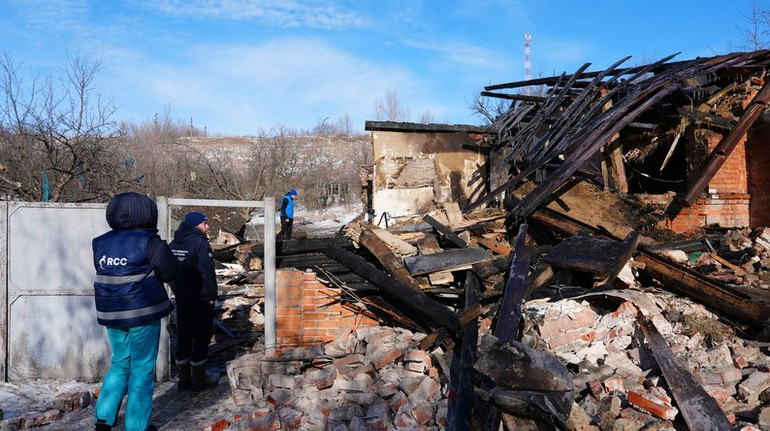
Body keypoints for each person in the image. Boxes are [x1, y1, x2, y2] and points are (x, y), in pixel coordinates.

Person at [92, 192, 180, 431]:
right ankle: (136, 427)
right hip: (142, 312)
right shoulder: (149, 241)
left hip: (112, 313)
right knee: (141, 369)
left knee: (120, 363)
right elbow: (169, 272)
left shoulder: (100, 242)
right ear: (149, 214)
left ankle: (103, 421)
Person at [169, 211, 218, 391]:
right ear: (196, 225)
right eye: (205, 223)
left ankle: (184, 380)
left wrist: (178, 291)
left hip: (182, 298)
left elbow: (169, 272)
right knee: (201, 337)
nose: (207, 226)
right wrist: (211, 296)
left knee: (184, 335)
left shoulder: (174, 243)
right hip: (200, 299)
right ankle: (199, 380)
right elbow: (207, 272)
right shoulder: (199, 243)